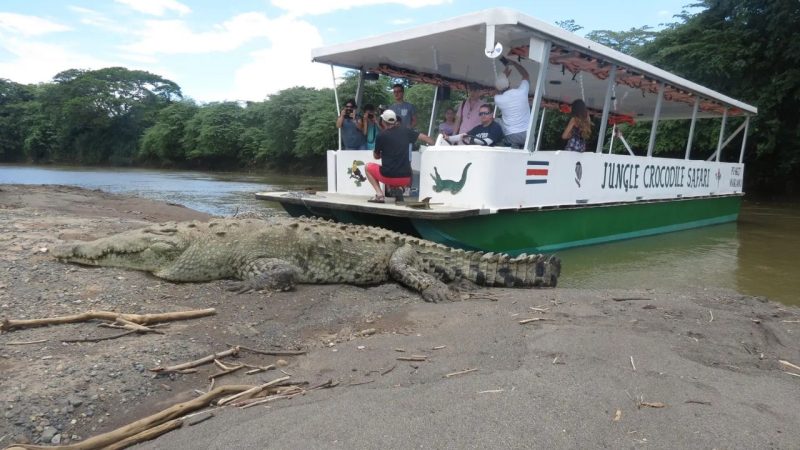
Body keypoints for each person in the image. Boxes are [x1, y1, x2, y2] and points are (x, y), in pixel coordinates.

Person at [365, 109, 434, 203]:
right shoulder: (406, 131)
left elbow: (376, 156)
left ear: (383, 122)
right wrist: (437, 146)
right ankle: (399, 190)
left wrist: (383, 153)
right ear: (395, 120)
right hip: (406, 179)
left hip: (389, 177)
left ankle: (380, 195)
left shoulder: (381, 136)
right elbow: (426, 138)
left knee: (367, 167)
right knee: (396, 167)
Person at [494, 59, 531, 148]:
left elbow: (497, 90)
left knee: (496, 120)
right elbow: (525, 75)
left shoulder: (498, 99)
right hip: (527, 133)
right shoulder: (522, 92)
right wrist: (515, 63)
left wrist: (502, 77)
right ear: (509, 83)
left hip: (511, 135)